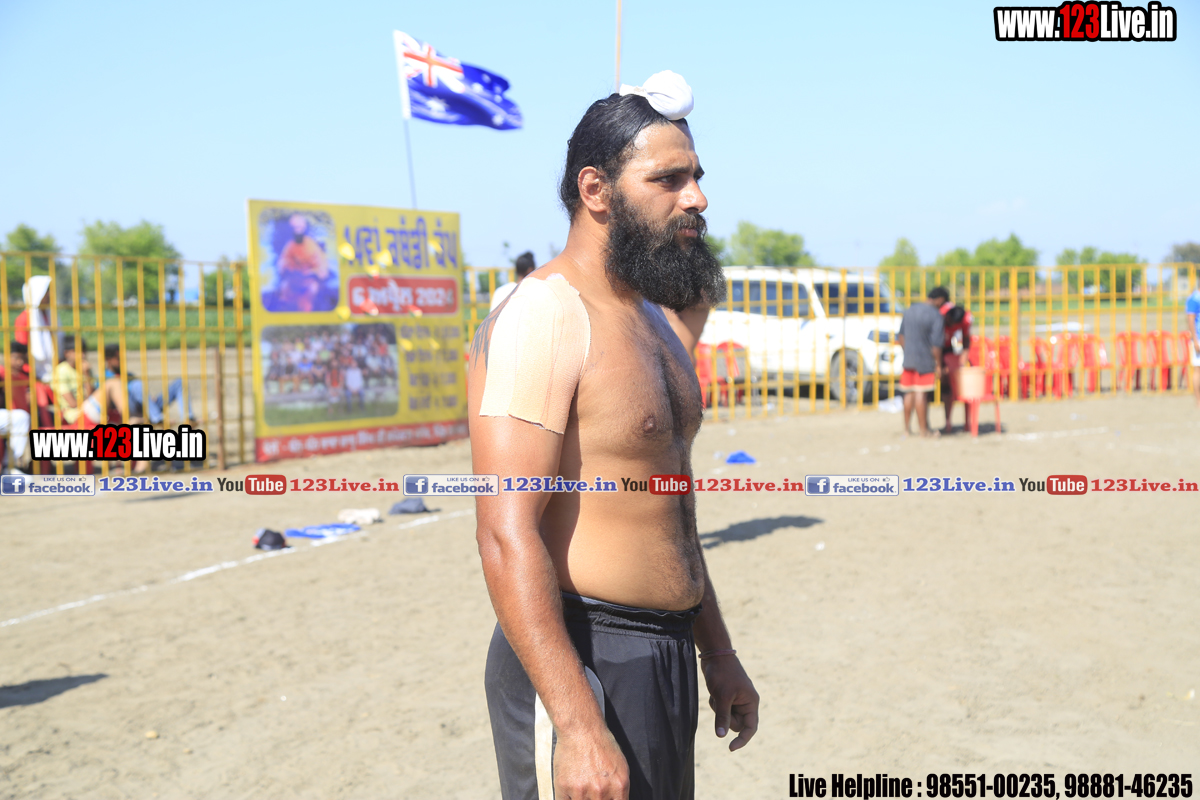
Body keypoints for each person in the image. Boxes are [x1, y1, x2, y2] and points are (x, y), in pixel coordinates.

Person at [467, 70, 758, 800]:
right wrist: (578, 724)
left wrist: (717, 651)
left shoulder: (652, 320)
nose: (696, 198)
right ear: (595, 190)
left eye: (696, 176)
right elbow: (504, 533)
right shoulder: (544, 316)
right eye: (668, 180)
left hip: (665, 655)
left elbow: (669, 506)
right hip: (582, 659)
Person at [896, 287, 945, 437]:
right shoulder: (936, 315)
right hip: (925, 361)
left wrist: (908, 352)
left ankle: (907, 430)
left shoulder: (909, 310)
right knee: (921, 394)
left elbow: (901, 336)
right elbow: (936, 345)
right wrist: (938, 365)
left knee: (908, 393)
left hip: (908, 359)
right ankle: (924, 430)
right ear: (940, 300)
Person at [103, 345, 193, 425]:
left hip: (146, 407)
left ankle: (188, 418)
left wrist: (149, 398)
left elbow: (141, 393)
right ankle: (157, 418)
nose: (122, 361)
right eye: (118, 358)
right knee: (137, 385)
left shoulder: (129, 375)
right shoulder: (103, 378)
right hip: (126, 408)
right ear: (108, 359)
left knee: (179, 383)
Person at [51, 339, 131, 426]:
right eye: (77, 351)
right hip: (75, 416)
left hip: (87, 409)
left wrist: (86, 375)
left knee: (133, 418)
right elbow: (73, 403)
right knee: (112, 383)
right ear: (67, 353)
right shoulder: (61, 371)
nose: (82, 355)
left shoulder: (86, 369)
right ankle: (126, 418)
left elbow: (91, 395)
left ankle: (126, 419)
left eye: (83, 351)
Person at [934, 289, 972, 433]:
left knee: (958, 385)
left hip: (949, 347)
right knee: (945, 385)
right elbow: (935, 344)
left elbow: (966, 338)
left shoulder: (965, 319)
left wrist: (964, 355)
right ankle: (947, 421)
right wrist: (939, 365)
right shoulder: (940, 314)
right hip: (937, 347)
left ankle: (961, 422)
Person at [0, 343, 34, 473]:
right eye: (16, 358)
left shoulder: (24, 377)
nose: (20, 362)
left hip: (7, 418)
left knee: (22, 417)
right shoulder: (2, 373)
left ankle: (10, 467)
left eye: (22, 358)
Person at [15, 276, 56, 382]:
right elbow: (22, 349)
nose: (50, 295)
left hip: (53, 369)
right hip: (32, 372)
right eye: (46, 291)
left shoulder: (50, 317)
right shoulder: (24, 318)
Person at [1187, 283, 1200, 406]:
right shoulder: (1194, 299)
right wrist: (1195, 340)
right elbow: (1190, 319)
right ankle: (1198, 400)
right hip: (1199, 338)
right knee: (1198, 369)